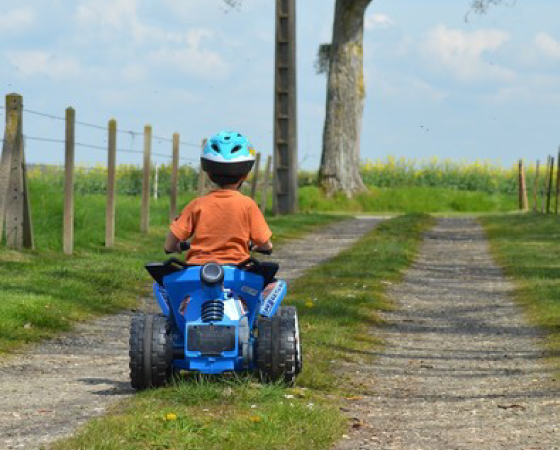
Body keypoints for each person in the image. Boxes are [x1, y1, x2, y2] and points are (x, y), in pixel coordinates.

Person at [164, 130, 273, 265]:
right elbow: (264, 242)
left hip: (197, 270)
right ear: (245, 175)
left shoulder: (197, 205)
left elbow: (170, 242)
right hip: (237, 270)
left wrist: (174, 247)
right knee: (271, 283)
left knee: (164, 284)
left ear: (208, 174)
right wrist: (263, 248)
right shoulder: (248, 205)